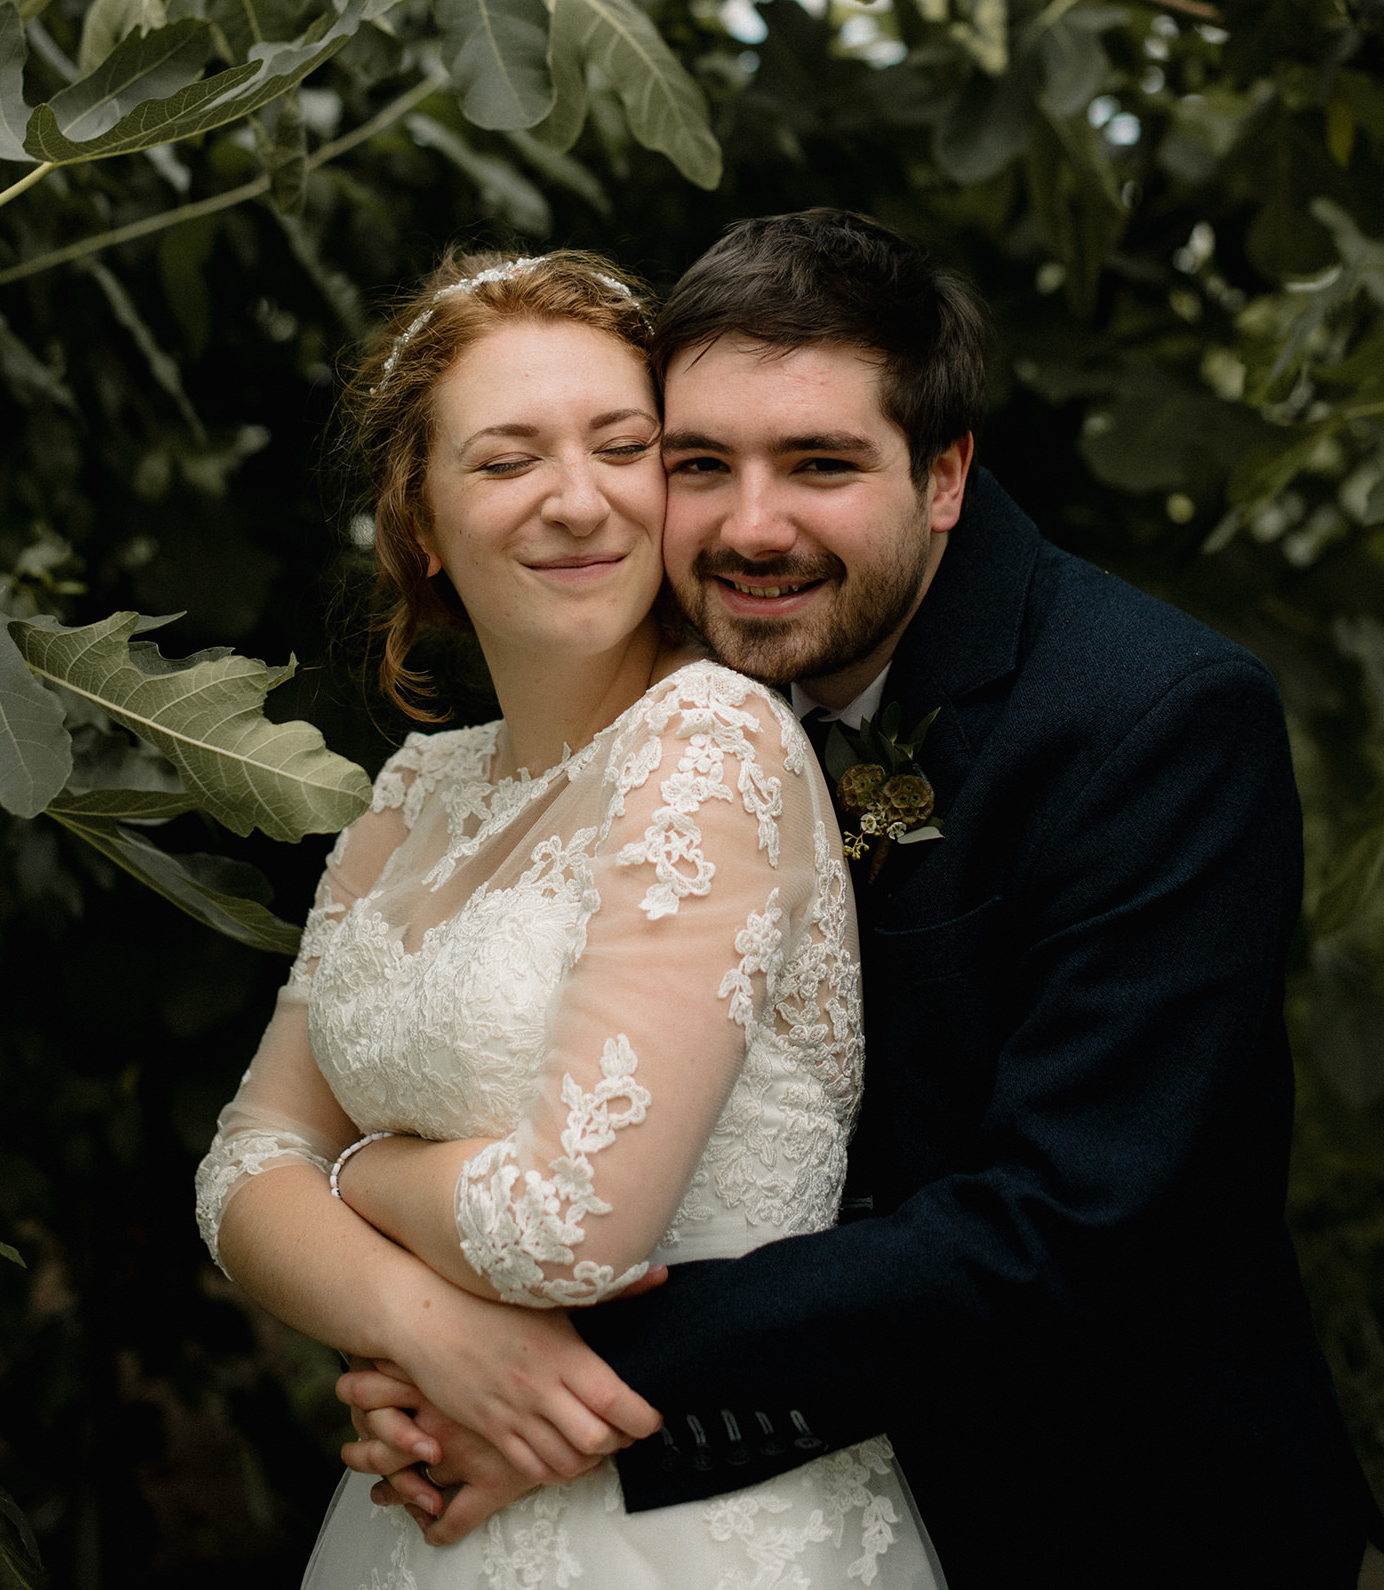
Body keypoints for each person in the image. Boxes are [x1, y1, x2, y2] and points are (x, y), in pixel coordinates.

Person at [345, 210, 1384, 1590]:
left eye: (821, 464)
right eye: (700, 464)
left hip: (1117, 1517)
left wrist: (535, 1380)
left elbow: (1060, 1228)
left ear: (944, 475)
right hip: (773, 1489)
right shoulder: (667, 707)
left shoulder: (1154, 722)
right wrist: (428, 1334)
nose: (752, 527)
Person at [194, 244, 948, 1588]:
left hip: (692, 1527)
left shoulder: (709, 742)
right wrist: (426, 1330)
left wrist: (354, 1178)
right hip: (439, 1500)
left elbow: (572, 1226)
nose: (579, 502)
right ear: (419, 519)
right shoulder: (416, 793)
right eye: (505, 461)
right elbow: (241, 1165)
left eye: (625, 446)